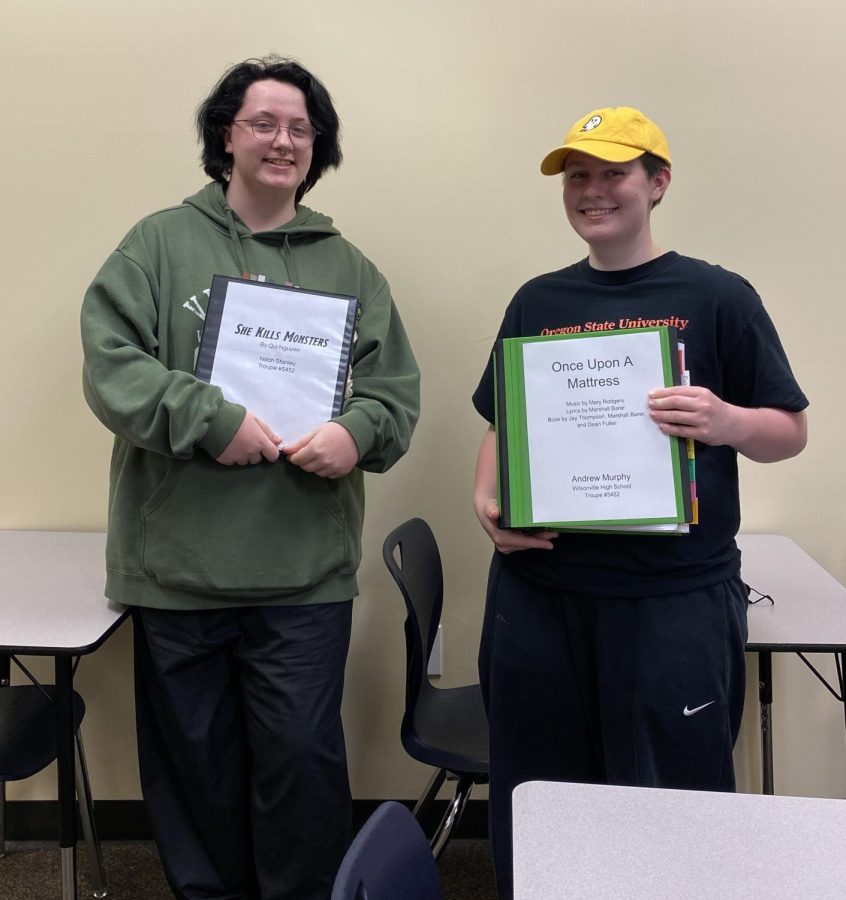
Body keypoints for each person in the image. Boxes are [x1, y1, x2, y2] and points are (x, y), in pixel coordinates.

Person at [81, 56, 420, 900]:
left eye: (300, 128)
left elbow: (394, 394)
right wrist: (212, 420)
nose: (283, 140)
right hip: (178, 572)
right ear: (225, 136)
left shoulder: (350, 268)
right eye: (263, 122)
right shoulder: (158, 243)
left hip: (302, 575)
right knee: (195, 778)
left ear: (318, 147)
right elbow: (110, 367)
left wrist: (356, 433)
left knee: (301, 773)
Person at [471, 106, 807, 899]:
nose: (593, 190)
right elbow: (501, 421)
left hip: (671, 601)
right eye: (577, 176)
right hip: (542, 594)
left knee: (673, 809)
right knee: (541, 802)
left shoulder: (719, 295)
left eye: (614, 173)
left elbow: (788, 432)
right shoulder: (537, 299)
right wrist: (485, 496)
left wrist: (726, 421)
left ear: (656, 183)